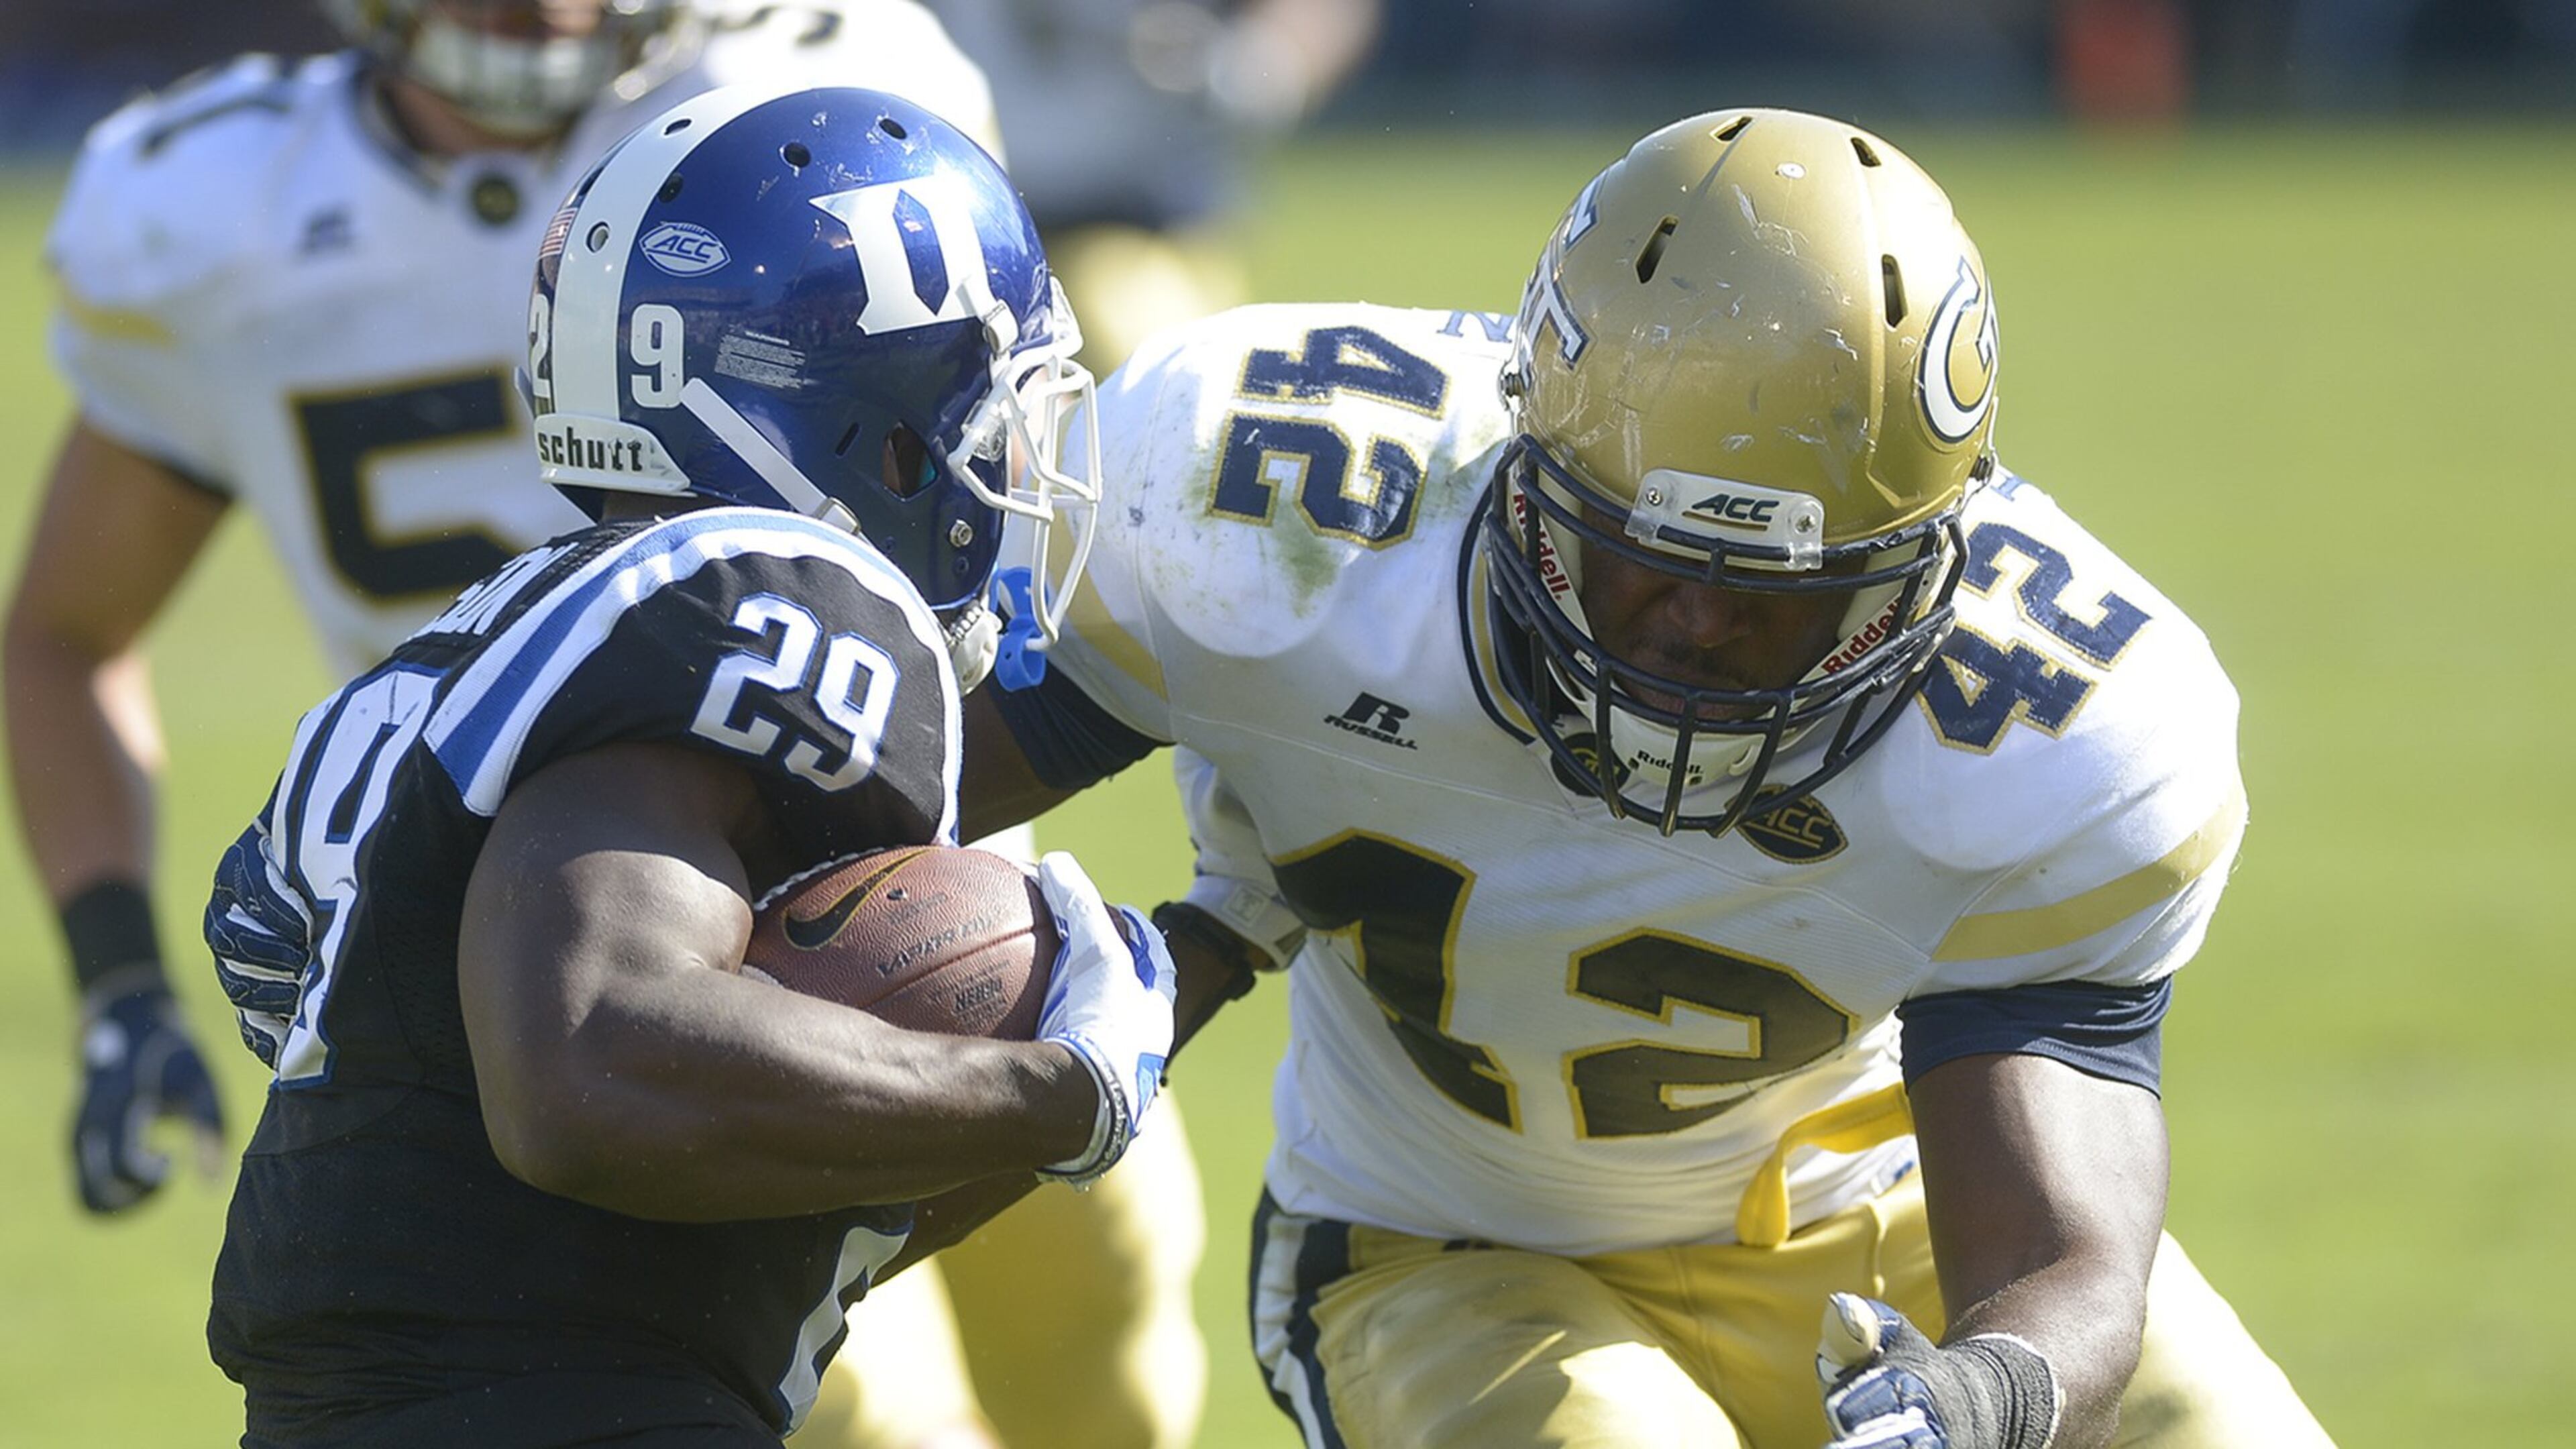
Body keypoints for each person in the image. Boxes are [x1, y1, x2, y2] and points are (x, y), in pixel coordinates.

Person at [950, 109, 2342, 1447]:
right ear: (1528, 464)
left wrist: (1991, 1397)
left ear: (1920, 570)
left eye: (1780, 596)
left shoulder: (2065, 734)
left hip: (1876, 1222)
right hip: (1443, 1252)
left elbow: (2067, 1264)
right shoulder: (1260, 509)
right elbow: (878, 813)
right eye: (1647, 561)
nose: (1699, 629)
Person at [195, 84, 1177, 1445]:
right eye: (983, 406)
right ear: (874, 425)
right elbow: (592, 1063)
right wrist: (1054, 1092)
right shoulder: (781, 590)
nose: (1003, 460)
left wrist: (1220, 931)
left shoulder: (469, 652)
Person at [12, 0, 996, 1214]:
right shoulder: (218, 208)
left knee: (1123, 1380)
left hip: (902, 830)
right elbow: (66, 633)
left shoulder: (808, 100)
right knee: (859, 1407)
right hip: (539, 918)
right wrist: (119, 979)